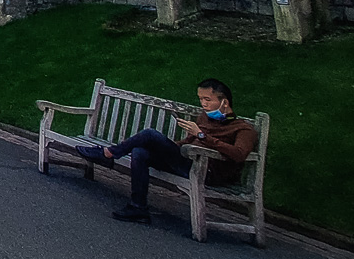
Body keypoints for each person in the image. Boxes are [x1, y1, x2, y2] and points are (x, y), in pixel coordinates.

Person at [76, 78, 259, 224]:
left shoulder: (243, 129)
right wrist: (170, 146)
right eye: (201, 99)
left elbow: (239, 154)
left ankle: (108, 154)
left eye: (207, 100)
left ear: (224, 102)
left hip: (207, 171)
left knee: (150, 134)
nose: (203, 104)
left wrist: (202, 136)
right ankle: (138, 207)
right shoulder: (205, 118)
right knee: (140, 151)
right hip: (186, 161)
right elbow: (189, 141)